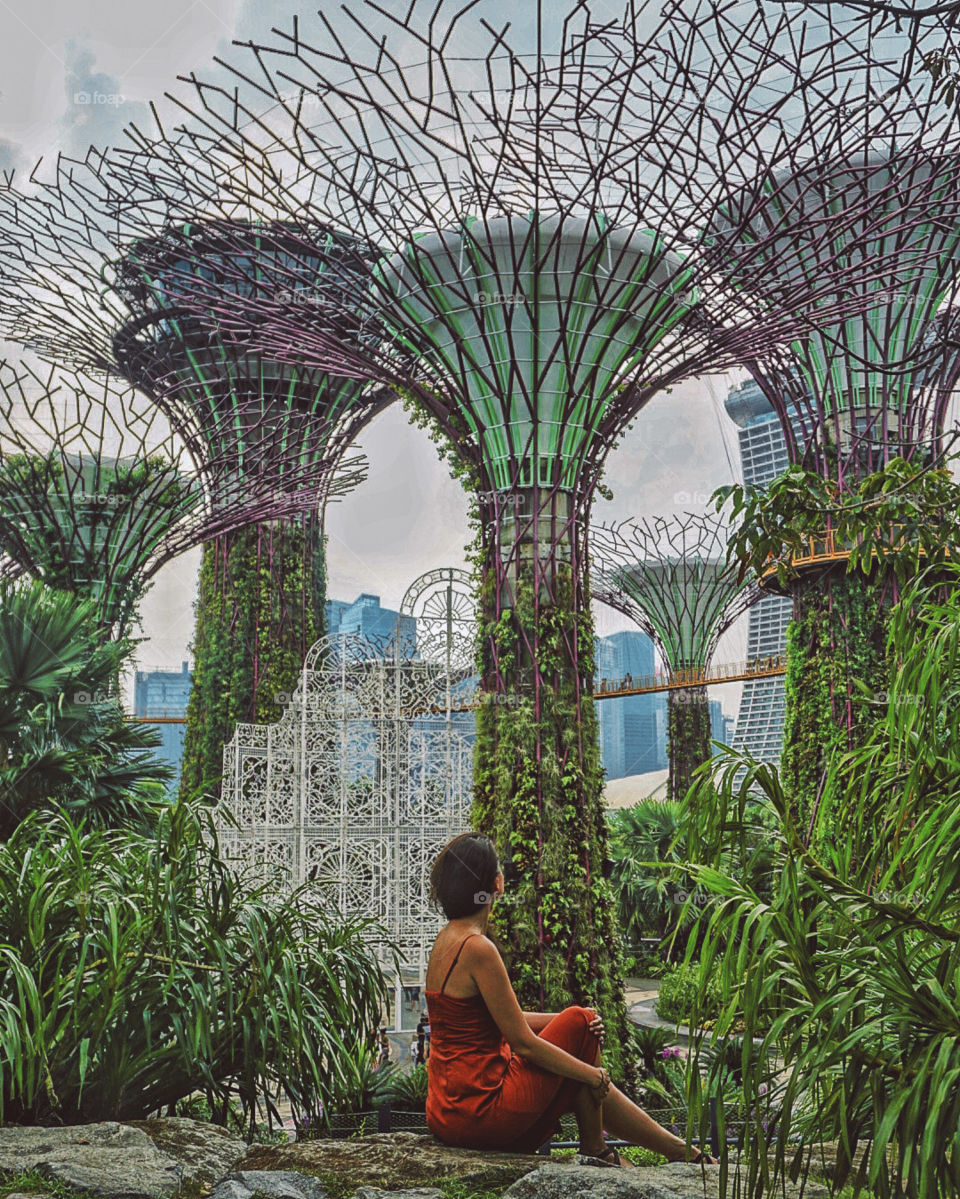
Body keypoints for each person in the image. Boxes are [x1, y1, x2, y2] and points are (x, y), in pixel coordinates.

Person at [423, 832, 717, 1167]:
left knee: (581, 1023)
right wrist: (592, 1072)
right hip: (481, 1112)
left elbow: (504, 1019)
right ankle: (597, 1150)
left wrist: (570, 1024)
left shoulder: (446, 939)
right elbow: (523, 1043)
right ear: (497, 884)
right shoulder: (477, 948)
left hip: (447, 1112)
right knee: (582, 1027)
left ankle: (680, 1151)